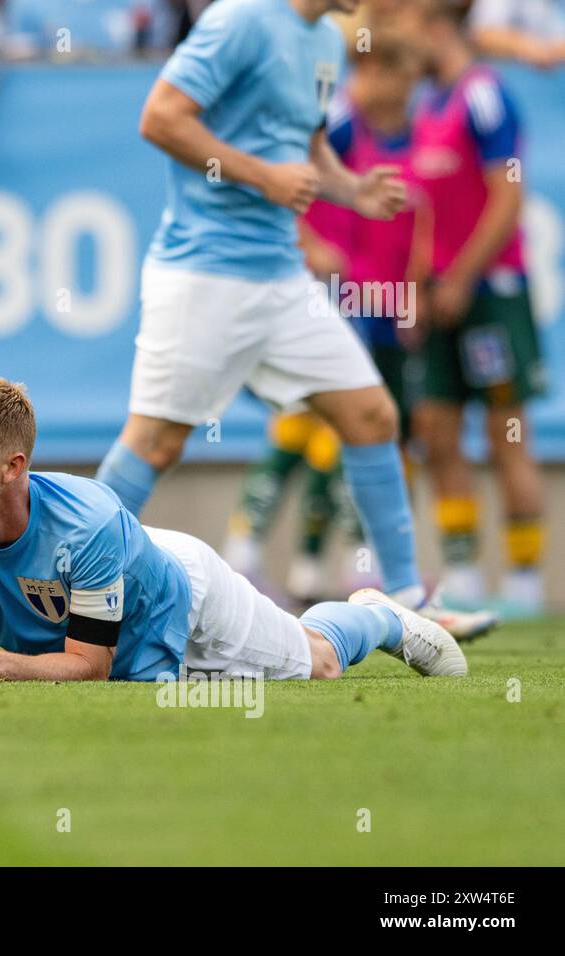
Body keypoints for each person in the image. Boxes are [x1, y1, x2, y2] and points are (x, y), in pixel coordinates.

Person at [90, 0, 495, 640]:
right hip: (204, 273)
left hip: (280, 278)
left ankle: (407, 598)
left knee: (373, 417)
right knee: (155, 442)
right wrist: (262, 178)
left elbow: (307, 152)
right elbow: (161, 118)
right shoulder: (239, 20)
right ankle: (67, 590)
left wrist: (353, 189)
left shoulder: (327, 41)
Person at [0, 377, 467, 684]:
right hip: (122, 600)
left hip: (186, 597)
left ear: (13, 467)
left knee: (318, 663)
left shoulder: (87, 522)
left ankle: (379, 615)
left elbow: (89, 667)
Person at [223, 29, 428, 605]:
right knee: (304, 419)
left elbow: (408, 214)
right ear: (373, 72)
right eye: (398, 83)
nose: (403, 97)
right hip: (302, 289)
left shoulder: (390, 132)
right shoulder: (336, 121)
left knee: (335, 425)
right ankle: (247, 551)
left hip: (356, 299)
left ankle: (307, 562)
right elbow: (276, 184)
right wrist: (308, 242)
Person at [410, 0, 548, 617]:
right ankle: (461, 572)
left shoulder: (484, 95)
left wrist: (463, 276)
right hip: (441, 295)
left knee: (506, 432)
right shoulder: (427, 104)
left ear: (435, 25)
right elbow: (423, 212)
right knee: (437, 431)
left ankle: (523, 580)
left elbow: (507, 199)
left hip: (491, 293)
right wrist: (419, 284)